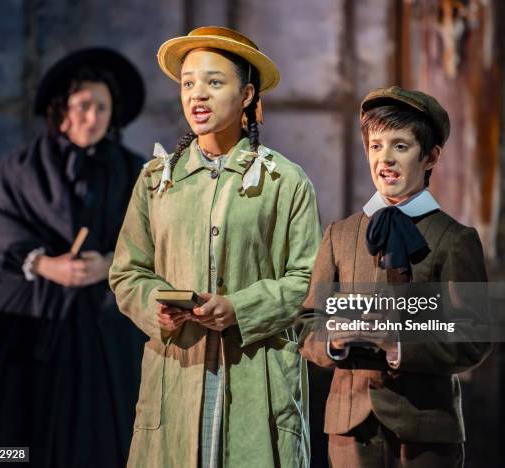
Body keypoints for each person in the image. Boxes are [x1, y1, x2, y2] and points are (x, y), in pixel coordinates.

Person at [109, 27, 322, 467]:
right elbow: (128, 272)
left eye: (214, 82)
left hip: (256, 374)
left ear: (246, 94)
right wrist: (158, 307)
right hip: (177, 373)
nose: (197, 95)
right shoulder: (156, 180)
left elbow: (309, 281)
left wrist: (239, 309)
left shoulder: (284, 181)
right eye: (188, 83)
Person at [0, 48, 147, 467]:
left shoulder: (136, 172)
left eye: (101, 107)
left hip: (106, 315)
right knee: (1, 430)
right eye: (83, 106)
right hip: (32, 310)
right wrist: (44, 264)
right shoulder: (21, 167)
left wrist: (110, 263)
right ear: (62, 110)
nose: (91, 117)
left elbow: (158, 239)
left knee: (108, 430)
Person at [298, 86, 492, 467]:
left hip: (425, 431)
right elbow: (307, 323)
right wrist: (332, 340)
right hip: (349, 429)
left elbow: (474, 337)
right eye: (375, 146)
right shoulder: (340, 234)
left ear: (430, 156)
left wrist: (398, 343)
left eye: (400, 146)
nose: (384, 158)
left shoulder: (454, 240)